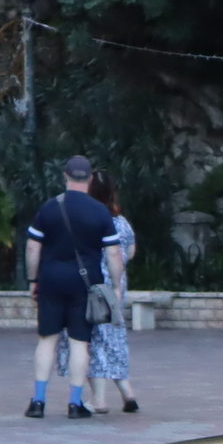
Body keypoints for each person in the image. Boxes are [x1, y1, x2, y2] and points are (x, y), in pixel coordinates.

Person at [23, 156, 118, 418]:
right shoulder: (100, 212)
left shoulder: (49, 207)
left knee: (46, 341)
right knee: (79, 344)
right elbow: (114, 256)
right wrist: (117, 287)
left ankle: (38, 401)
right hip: (84, 287)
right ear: (89, 179)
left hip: (51, 282)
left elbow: (32, 247)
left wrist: (33, 280)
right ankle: (75, 404)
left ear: (65, 176)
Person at [58, 174, 140, 413]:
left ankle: (99, 400)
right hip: (116, 288)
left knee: (91, 341)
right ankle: (127, 393)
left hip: (92, 286)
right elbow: (131, 252)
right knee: (113, 340)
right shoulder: (121, 221)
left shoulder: (90, 219)